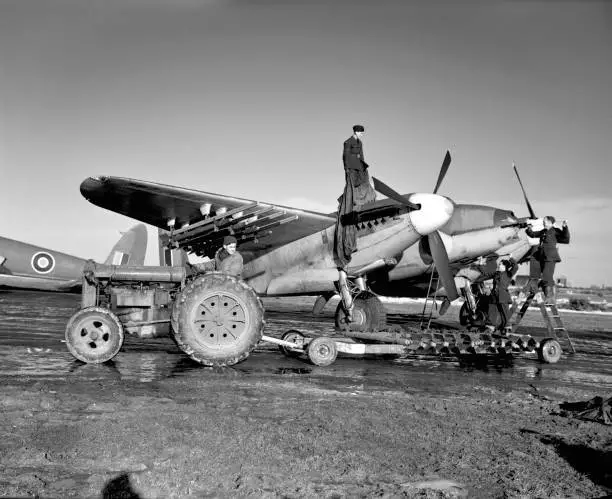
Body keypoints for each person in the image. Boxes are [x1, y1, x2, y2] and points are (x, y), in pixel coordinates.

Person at [334, 124, 377, 321]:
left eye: (362, 133)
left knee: (366, 189)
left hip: (359, 168)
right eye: (359, 132)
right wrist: (350, 169)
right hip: (353, 170)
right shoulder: (348, 142)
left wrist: (361, 165)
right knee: (355, 191)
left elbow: (360, 155)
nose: (360, 135)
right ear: (355, 131)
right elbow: (346, 157)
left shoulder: (359, 143)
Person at [526, 216, 570, 304]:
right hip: (542, 257)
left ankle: (550, 298)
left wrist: (565, 227)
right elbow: (533, 234)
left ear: (550, 222)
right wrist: (529, 228)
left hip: (550, 257)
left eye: (544, 221)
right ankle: (547, 296)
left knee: (547, 276)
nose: (543, 223)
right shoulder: (544, 231)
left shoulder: (555, 231)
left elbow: (566, 238)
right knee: (543, 277)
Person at [485, 258, 518, 333]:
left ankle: (507, 327)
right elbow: (487, 273)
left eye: (500, 264)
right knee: (492, 310)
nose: (498, 265)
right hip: (494, 295)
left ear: (505, 266)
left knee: (505, 312)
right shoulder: (496, 273)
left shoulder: (508, 274)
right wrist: (480, 265)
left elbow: (515, 267)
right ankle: (490, 327)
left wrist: (511, 259)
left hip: (503, 296)